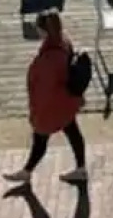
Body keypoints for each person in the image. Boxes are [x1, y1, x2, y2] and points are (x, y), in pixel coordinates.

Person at [5, 10, 88, 184]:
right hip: (67, 100)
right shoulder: (63, 43)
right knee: (72, 132)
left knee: (41, 137)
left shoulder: (49, 57)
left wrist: (35, 111)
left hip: (53, 105)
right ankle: (80, 168)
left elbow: (43, 89)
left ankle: (27, 171)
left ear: (43, 30)